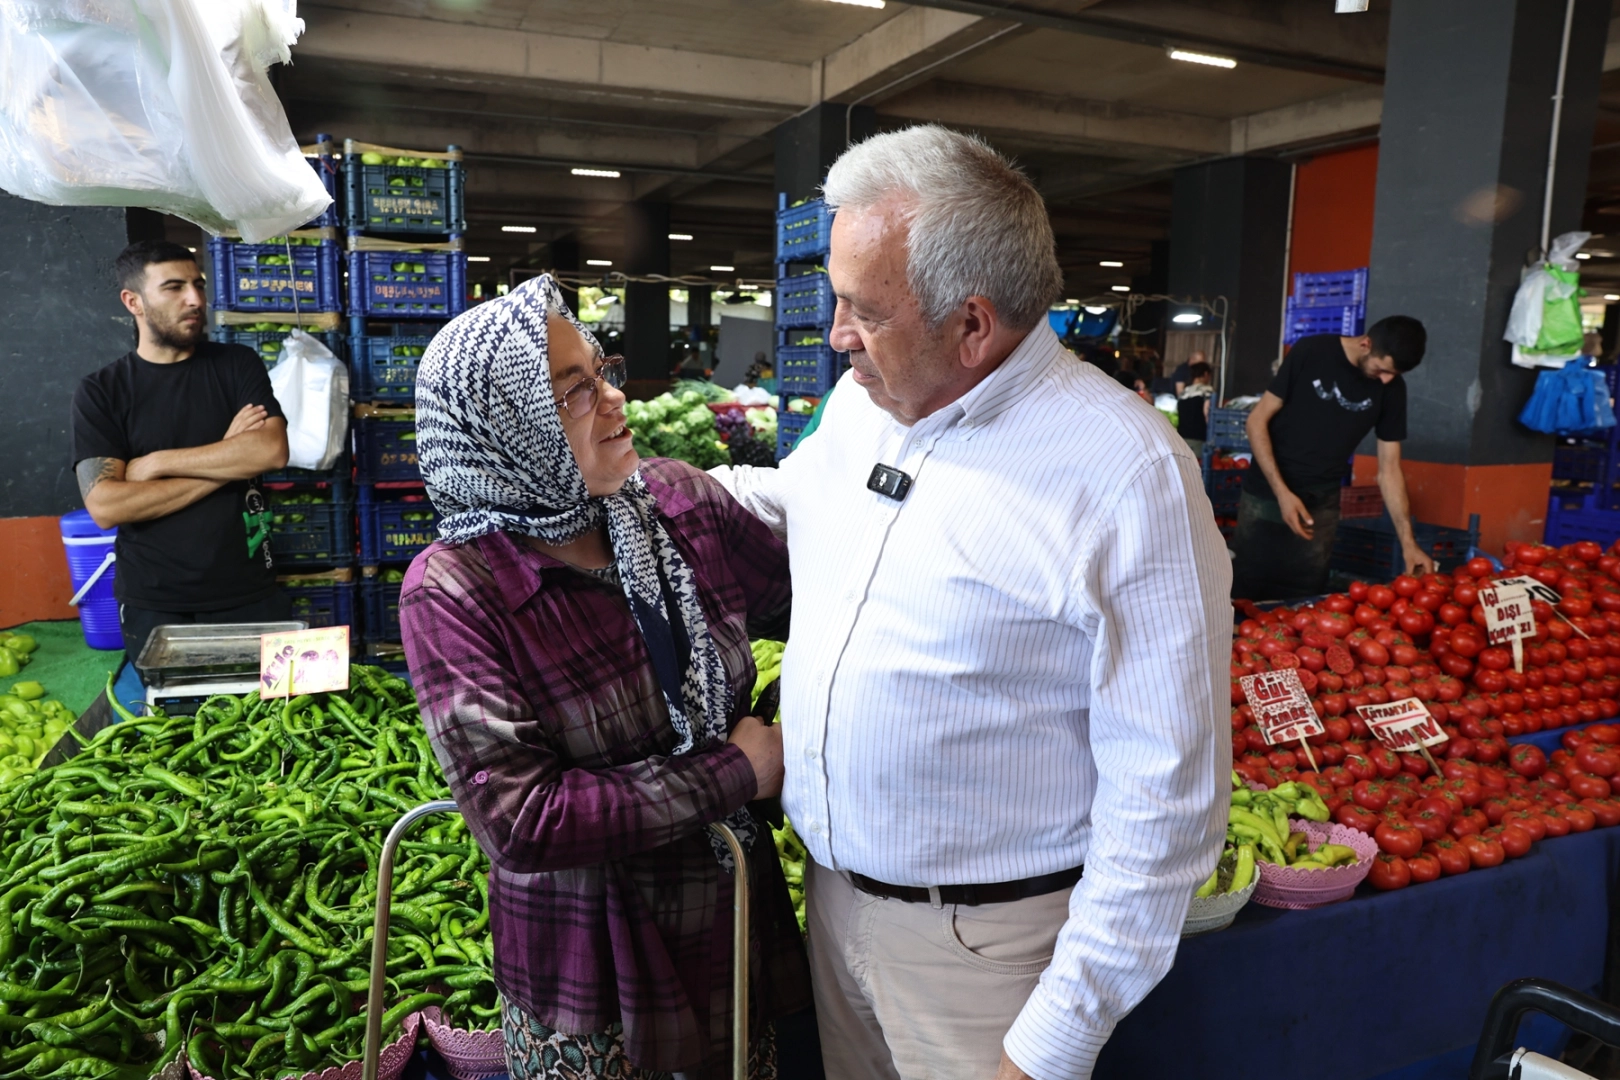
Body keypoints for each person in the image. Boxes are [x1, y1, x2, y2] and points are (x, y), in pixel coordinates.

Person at [712, 125, 1230, 1080]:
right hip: (830, 902)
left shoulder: (1124, 473)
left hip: (986, 955)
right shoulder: (867, 404)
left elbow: (1167, 800)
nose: (836, 336)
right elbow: (794, 502)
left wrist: (1051, 1043)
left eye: (862, 310)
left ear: (971, 324)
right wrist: (629, 492)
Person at [398, 276, 809, 1080]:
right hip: (589, 963)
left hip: (730, 919)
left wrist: (785, 710)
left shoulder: (680, 503)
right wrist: (736, 769)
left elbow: (823, 617)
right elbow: (522, 820)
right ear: (504, 426)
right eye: (573, 391)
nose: (614, 399)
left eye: (602, 370)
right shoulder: (455, 588)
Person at [71, 240, 291, 659]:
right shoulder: (102, 391)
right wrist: (229, 454)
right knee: (175, 721)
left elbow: (270, 450)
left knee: (267, 722)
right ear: (133, 301)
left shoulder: (236, 364)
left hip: (250, 592)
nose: (195, 299)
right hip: (155, 602)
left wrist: (155, 464)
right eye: (174, 287)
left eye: (198, 285)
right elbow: (106, 506)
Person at [1233, 316, 1432, 601]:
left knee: (1304, 598)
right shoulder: (1312, 352)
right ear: (1366, 344)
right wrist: (1282, 493)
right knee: (1246, 587)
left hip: (1320, 503)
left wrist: (1408, 542)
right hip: (1266, 492)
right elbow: (1256, 421)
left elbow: (1389, 470)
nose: (1386, 379)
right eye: (1382, 369)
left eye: (1394, 374)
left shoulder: (1392, 389)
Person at [1177, 360, 1214, 456]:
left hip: (1181, 439)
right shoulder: (1207, 391)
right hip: (1198, 439)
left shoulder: (1184, 392)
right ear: (1206, 374)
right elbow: (1208, 414)